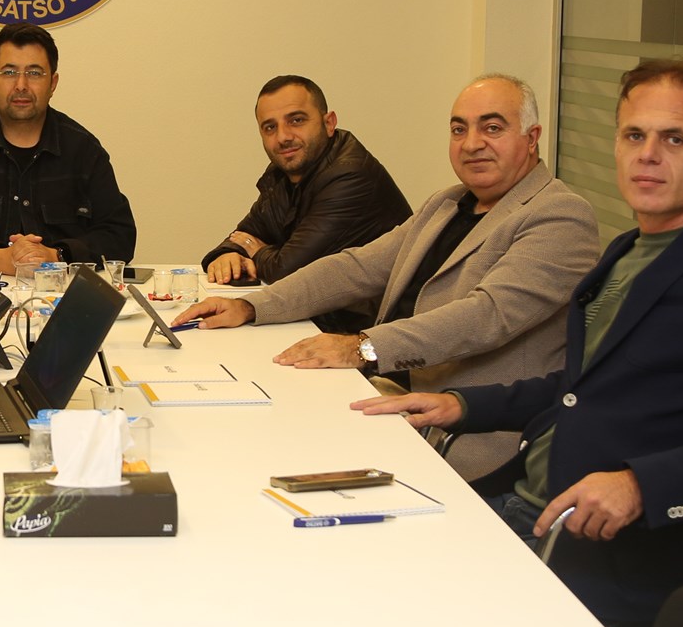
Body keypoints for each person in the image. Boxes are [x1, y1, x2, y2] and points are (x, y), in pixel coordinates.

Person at [355, 58, 683, 627]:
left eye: (674, 139)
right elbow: (583, 388)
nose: (647, 155)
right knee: (359, 568)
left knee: (399, 625)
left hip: (614, 556)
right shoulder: (628, 251)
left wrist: (641, 485)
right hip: (532, 504)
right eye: (634, 135)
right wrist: (464, 404)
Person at [176, 76, 597, 471]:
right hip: (385, 395)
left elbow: (486, 315)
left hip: (470, 434)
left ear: (532, 138)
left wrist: (363, 347)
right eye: (459, 129)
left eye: (492, 128)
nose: (472, 144)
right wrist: (250, 306)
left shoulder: (560, 215)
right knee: (231, 432)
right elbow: (358, 267)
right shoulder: (447, 204)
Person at [0, 21, 136, 274]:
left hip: (65, 292)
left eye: (35, 73)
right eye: (8, 72)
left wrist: (57, 255)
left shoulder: (84, 150)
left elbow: (120, 235)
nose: (21, 85)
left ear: (53, 83)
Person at [200, 74, 410, 290]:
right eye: (270, 127)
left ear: (329, 123)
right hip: (332, 304)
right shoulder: (282, 174)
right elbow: (245, 235)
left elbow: (287, 272)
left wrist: (257, 252)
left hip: (383, 309)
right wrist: (228, 255)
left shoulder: (350, 175)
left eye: (296, 120)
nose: (283, 137)